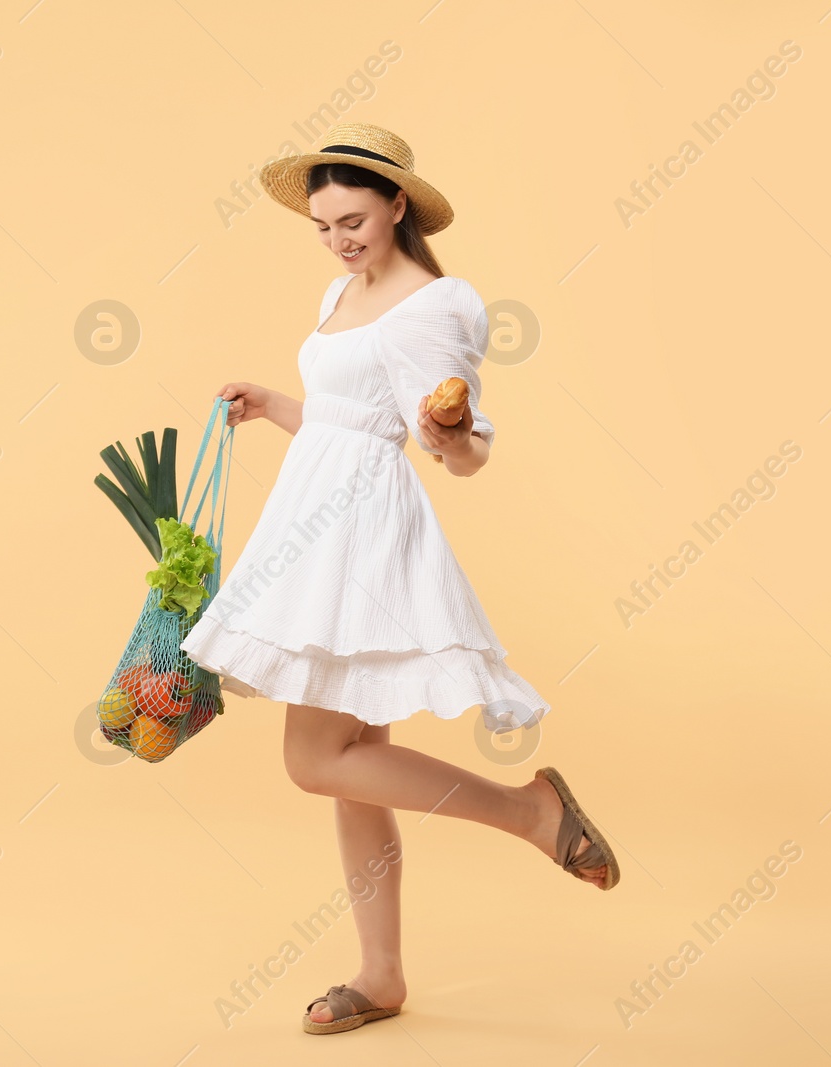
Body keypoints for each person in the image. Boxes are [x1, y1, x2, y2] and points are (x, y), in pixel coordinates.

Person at [178, 123, 621, 1036]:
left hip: (358, 538)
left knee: (314, 760)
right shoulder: (344, 289)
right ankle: (381, 976)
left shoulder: (432, 305)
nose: (340, 239)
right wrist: (276, 406)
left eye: (354, 219)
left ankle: (531, 811)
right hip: (315, 522)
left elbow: (460, 449)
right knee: (350, 775)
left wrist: (456, 436)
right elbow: (351, 419)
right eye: (323, 224)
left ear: (397, 206)